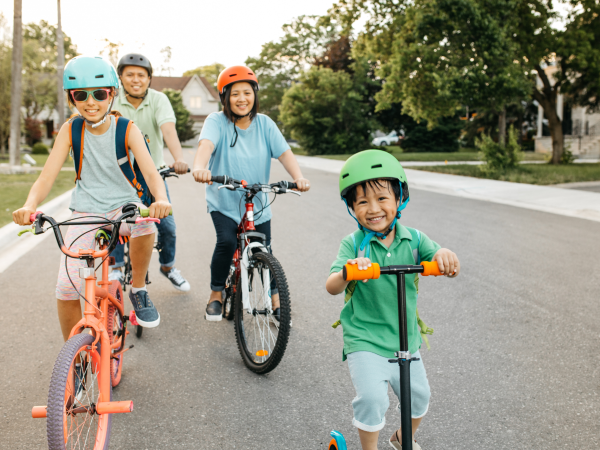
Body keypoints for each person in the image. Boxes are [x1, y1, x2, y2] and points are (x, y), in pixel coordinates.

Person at [12, 56, 170, 340]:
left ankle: (139, 290)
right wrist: (29, 205)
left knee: (146, 222)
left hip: (125, 206)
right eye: (80, 95)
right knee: (65, 287)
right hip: (86, 212)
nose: (90, 101)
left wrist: (160, 198)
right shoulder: (71, 130)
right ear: (71, 98)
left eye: (99, 94)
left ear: (112, 94)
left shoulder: (127, 129)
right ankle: (76, 358)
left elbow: (151, 172)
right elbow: (46, 177)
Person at [325, 150, 460, 450]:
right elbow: (332, 286)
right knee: (372, 400)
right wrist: (350, 272)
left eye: (382, 198)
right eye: (362, 202)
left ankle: (402, 437)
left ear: (400, 199)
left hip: (406, 339)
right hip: (365, 338)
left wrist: (443, 255)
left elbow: (436, 256)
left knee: (420, 397)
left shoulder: (414, 238)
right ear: (351, 207)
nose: (373, 209)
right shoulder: (353, 245)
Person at [192, 65, 310, 321]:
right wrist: (200, 167)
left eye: (247, 92)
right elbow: (206, 144)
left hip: (257, 202)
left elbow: (284, 153)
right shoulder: (216, 121)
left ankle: (277, 301)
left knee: (264, 250)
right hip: (223, 198)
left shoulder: (265, 124)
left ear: (255, 95)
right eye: (235, 94)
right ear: (225, 98)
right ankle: (215, 294)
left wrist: (297, 177)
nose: (242, 99)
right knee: (225, 242)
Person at [108, 53, 191, 292]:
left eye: (141, 75)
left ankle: (168, 267)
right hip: (118, 173)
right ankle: (115, 267)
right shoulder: (111, 100)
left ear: (149, 79)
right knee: (116, 221)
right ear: (120, 78)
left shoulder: (158, 99)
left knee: (167, 226)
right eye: (130, 74)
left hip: (151, 173)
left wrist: (179, 159)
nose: (136, 79)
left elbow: (168, 130)